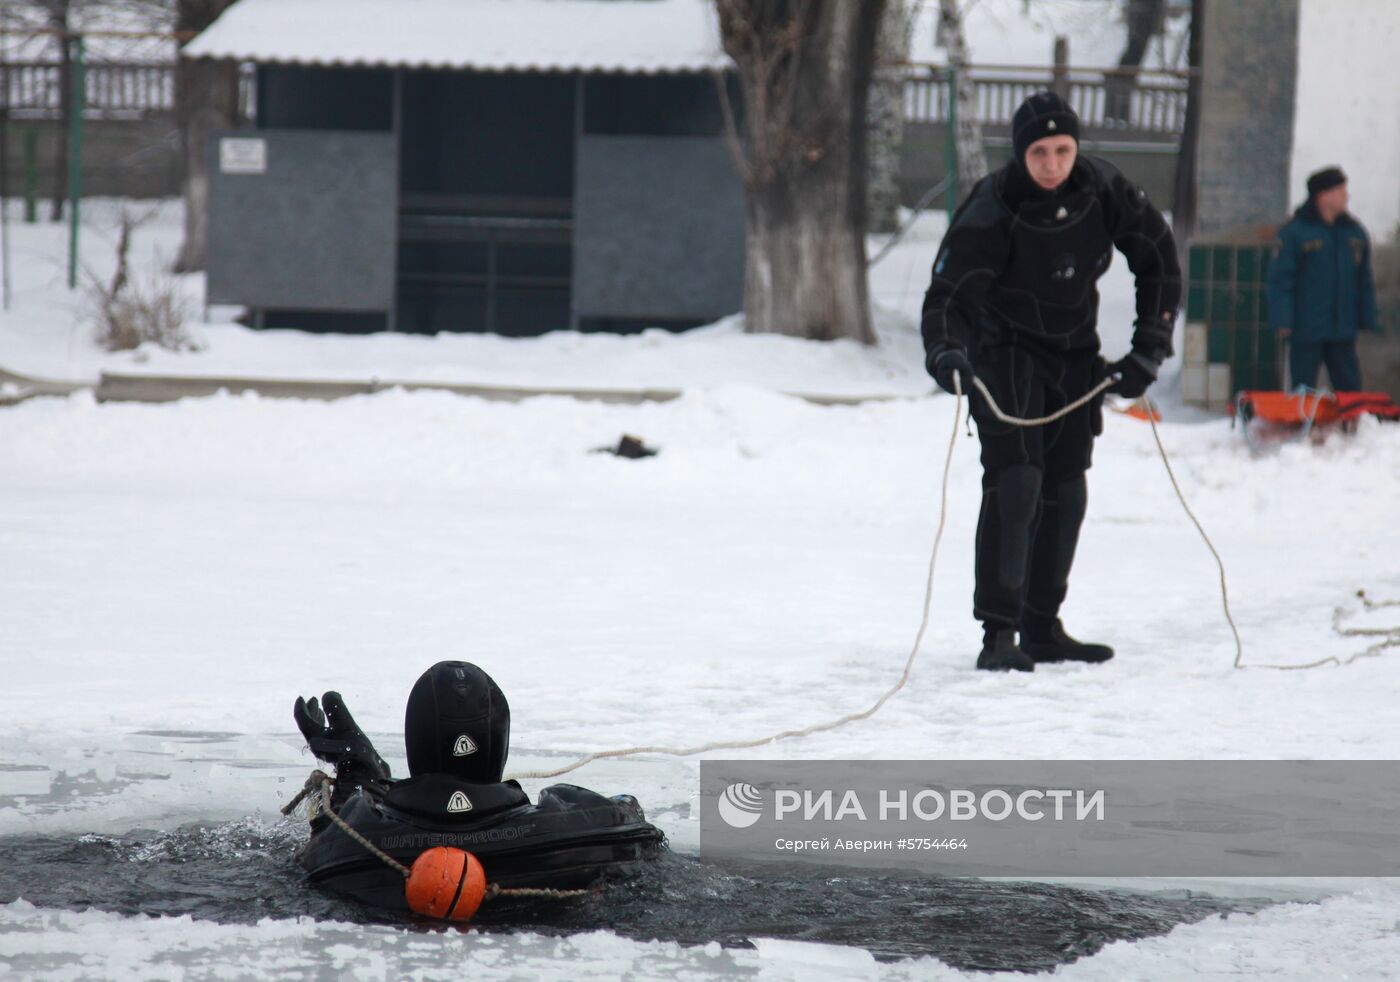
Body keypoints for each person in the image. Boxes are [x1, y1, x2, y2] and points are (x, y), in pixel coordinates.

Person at [920, 91, 1180, 672]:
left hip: (1074, 356)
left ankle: (1042, 627)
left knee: (1067, 489)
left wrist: (1149, 347)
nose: (1052, 164)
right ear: (1021, 154)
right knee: (1017, 483)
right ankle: (1000, 633)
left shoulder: (1101, 189)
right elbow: (949, 294)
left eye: (1063, 150)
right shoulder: (994, 204)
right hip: (1004, 356)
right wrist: (946, 351)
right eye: (1039, 152)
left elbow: (1158, 258)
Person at [1266, 166, 1380, 392]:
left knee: (1350, 388)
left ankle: (1350, 416)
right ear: (1323, 195)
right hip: (1306, 329)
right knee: (1303, 389)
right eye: (1340, 190)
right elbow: (1280, 280)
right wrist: (1283, 319)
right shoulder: (1295, 233)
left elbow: (1364, 280)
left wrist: (1368, 317)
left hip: (1343, 329)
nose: (1346, 196)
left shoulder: (1354, 233)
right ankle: (1304, 416)